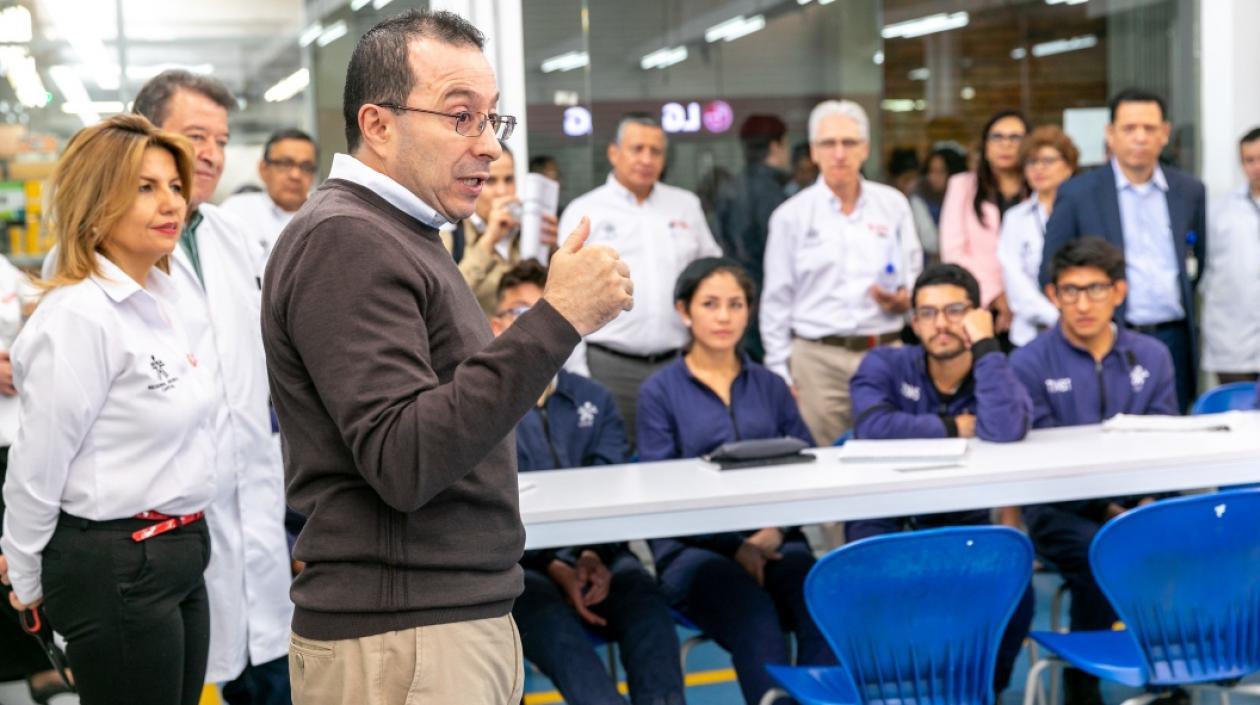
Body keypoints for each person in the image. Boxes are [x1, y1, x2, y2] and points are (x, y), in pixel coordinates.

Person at [260, 11, 632, 705]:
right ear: (378, 125)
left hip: (434, 622)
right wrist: (557, 318)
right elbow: (405, 458)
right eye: (461, 117)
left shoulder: (402, 233)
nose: (489, 146)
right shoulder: (347, 239)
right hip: (404, 637)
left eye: (494, 120)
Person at [0, 114, 214, 705]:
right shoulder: (79, 316)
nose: (170, 201)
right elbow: (36, 467)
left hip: (181, 550)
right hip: (116, 564)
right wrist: (23, 573)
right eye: (144, 187)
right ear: (97, 203)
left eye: (174, 185)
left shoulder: (167, 300)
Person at [131, 70, 295, 702]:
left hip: (253, 501)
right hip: (163, 522)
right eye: (194, 135)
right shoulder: (105, 244)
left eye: (221, 140)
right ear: (144, 135)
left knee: (269, 674)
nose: (211, 155)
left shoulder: (231, 235)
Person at [637, 257, 833, 705]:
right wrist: (735, 545)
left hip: (777, 540)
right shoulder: (660, 392)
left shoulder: (770, 385)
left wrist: (774, 532)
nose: (724, 316)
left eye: (735, 304)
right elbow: (659, 491)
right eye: (710, 304)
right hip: (692, 552)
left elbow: (809, 466)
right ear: (684, 311)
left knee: (822, 599)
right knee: (754, 611)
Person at [491, 261, 685, 705]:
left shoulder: (594, 398)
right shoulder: (483, 406)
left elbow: (613, 483)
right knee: (567, 650)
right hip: (524, 571)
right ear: (496, 324)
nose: (531, 324)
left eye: (544, 309)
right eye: (519, 312)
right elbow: (489, 508)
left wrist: (593, 554)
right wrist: (558, 565)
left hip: (605, 558)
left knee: (649, 612)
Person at [844, 262, 1032, 694]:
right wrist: (954, 426)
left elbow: (1004, 429)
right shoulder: (885, 363)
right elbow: (872, 427)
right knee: (872, 597)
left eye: (954, 311)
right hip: (887, 523)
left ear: (976, 315)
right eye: (927, 313)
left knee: (1016, 592)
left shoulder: (997, 366)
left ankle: (982, 691)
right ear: (914, 322)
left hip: (962, 524)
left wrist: (985, 344)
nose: (941, 324)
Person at [1011, 237, 1177, 705]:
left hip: (1140, 506)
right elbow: (1039, 460)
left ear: (1119, 292)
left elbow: (1167, 444)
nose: (1083, 304)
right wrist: (1108, 509)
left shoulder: (1152, 355)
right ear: (1053, 295)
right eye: (1070, 291)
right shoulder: (1028, 361)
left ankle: (1171, 681)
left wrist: (1139, 505)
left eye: (1096, 289)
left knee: (1184, 542)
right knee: (1100, 552)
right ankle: (1080, 686)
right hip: (1060, 511)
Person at [761, 99, 923, 446]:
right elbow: (776, 301)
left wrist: (903, 300)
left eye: (849, 143)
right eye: (828, 144)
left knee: (893, 456)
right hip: (818, 361)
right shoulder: (791, 215)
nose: (839, 153)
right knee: (825, 467)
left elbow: (914, 276)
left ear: (864, 149)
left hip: (885, 352)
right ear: (814, 153)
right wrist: (780, 371)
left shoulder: (892, 204)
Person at [559, 113, 721, 448]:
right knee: (617, 464)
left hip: (679, 362)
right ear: (614, 153)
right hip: (610, 366)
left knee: (684, 458)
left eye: (656, 151)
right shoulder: (585, 212)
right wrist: (579, 374)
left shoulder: (685, 206)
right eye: (637, 149)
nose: (647, 159)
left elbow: (712, 276)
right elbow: (564, 300)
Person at [1041, 88, 1207, 411]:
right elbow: (1050, 267)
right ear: (1110, 134)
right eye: (1129, 129)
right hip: (1108, 337)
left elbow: (1197, 262)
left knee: (1172, 436)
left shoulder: (1189, 190)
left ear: (1165, 134)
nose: (1140, 138)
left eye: (1149, 128)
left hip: (1173, 336)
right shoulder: (1078, 194)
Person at [0, 255, 71, 704]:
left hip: (11, 435)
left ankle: (31, 659)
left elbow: (34, 310)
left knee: (12, 556)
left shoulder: (5, 268)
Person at [940, 110, 1029, 344]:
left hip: (1032, 308)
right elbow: (953, 252)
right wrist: (997, 295)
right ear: (985, 146)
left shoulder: (1040, 191)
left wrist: (1018, 298)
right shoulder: (962, 186)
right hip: (980, 305)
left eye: (1015, 138)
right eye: (997, 137)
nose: (1006, 145)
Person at [440, 143, 558, 315]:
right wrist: (489, 241)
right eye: (491, 181)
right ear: (471, 183)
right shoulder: (450, 237)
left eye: (509, 180)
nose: (502, 191)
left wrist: (552, 250)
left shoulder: (526, 234)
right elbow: (446, 301)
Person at [713, 114, 789, 362]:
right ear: (776, 146)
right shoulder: (775, 194)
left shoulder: (730, 188)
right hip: (767, 298)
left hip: (736, 293)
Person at [998, 126, 1079, 347]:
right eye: (1031, 162)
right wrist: (1056, 317)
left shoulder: (1082, 211)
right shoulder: (1015, 217)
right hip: (1030, 334)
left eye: (1047, 161)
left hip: (1081, 328)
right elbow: (1013, 278)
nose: (1038, 169)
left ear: (1068, 167)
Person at [1201, 126, 1260, 384]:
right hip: (1232, 343)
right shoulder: (1219, 212)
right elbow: (1203, 272)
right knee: (1236, 415)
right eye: (1250, 160)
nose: (1257, 166)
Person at [219, 128, 319, 263]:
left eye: (306, 167)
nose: (295, 175)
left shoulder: (324, 217)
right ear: (263, 169)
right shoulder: (235, 212)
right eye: (285, 164)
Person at [910, 146, 968, 265]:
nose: (933, 177)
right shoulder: (920, 196)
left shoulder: (967, 197)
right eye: (931, 171)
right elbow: (931, 243)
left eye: (940, 171)